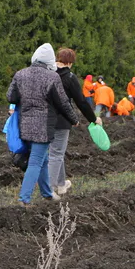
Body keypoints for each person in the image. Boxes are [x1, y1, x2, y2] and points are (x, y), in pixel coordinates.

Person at [7, 43, 79, 205]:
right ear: (50, 62)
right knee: (35, 162)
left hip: (24, 125)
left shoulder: (20, 74)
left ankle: (48, 193)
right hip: (43, 127)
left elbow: (11, 97)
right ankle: (24, 199)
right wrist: (74, 119)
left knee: (44, 159)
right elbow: (62, 102)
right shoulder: (52, 77)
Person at [49, 48, 100, 196]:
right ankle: (49, 189)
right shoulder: (70, 77)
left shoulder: (48, 74)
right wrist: (93, 118)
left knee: (57, 151)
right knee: (56, 153)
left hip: (46, 120)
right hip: (62, 120)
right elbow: (81, 102)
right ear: (70, 62)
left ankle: (61, 184)